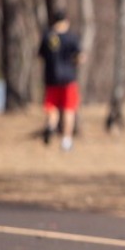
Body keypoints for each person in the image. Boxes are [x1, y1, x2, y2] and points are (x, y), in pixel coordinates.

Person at [38, 9, 83, 152]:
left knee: (52, 108)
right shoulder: (71, 37)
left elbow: (41, 55)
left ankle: (51, 126)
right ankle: (66, 141)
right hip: (69, 78)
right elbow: (79, 57)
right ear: (66, 21)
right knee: (69, 109)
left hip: (51, 79)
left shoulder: (47, 37)